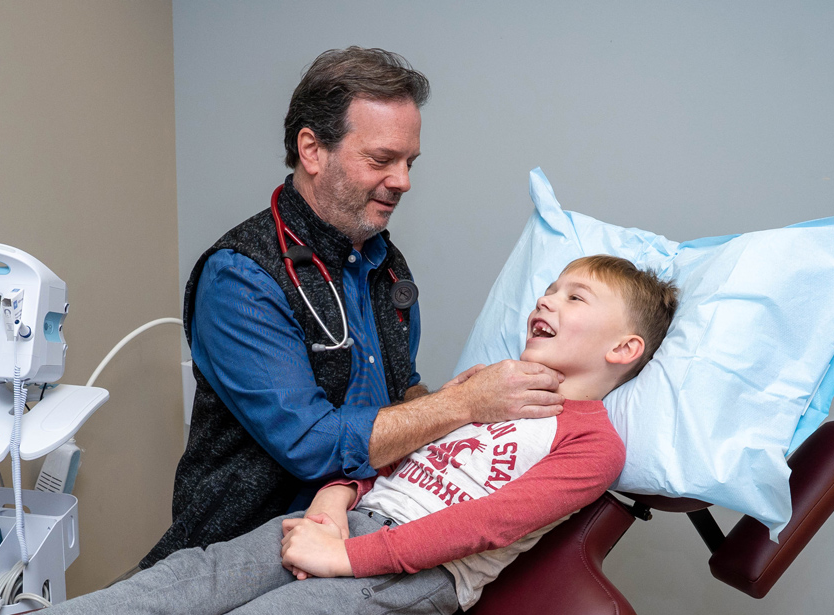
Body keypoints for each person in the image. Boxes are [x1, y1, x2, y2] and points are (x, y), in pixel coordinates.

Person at [0, 255, 680, 615]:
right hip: (336, 526)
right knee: (163, 594)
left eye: (578, 298)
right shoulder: (487, 381)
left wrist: (349, 553)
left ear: (623, 350)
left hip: (406, 581)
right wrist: (332, 502)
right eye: (552, 287)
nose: (549, 302)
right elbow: (390, 450)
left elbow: (476, 524)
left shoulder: (589, 444)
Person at [152, 46, 568, 572]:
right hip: (242, 540)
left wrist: (465, 404)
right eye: (382, 160)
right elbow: (310, 443)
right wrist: (462, 406)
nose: (403, 181)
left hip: (358, 527)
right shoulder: (242, 276)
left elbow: (398, 395)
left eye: (409, 162)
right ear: (312, 149)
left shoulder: (385, 264)